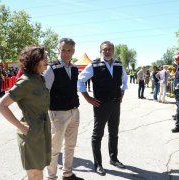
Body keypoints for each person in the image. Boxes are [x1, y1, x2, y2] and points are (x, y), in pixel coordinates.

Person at [0, 46, 51, 180]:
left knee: (39, 169)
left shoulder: (40, 78)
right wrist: (21, 127)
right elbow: (1, 105)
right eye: (44, 58)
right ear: (35, 60)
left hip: (43, 129)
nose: (47, 60)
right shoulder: (25, 81)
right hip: (31, 131)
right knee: (34, 173)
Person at [77, 41, 128, 176]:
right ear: (101, 51)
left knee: (114, 133)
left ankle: (114, 159)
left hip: (116, 104)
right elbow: (80, 80)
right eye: (105, 49)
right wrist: (88, 98)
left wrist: (122, 91)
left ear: (113, 50)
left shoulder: (118, 64)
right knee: (97, 135)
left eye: (110, 49)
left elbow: (124, 79)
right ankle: (98, 164)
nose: (107, 51)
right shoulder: (94, 65)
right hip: (101, 105)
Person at [44, 38, 83, 180]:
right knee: (54, 149)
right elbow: (44, 92)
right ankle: (52, 177)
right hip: (58, 113)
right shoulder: (51, 68)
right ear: (58, 50)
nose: (66, 53)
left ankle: (67, 173)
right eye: (63, 50)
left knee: (70, 146)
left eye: (69, 50)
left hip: (74, 112)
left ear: (73, 51)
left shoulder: (74, 68)